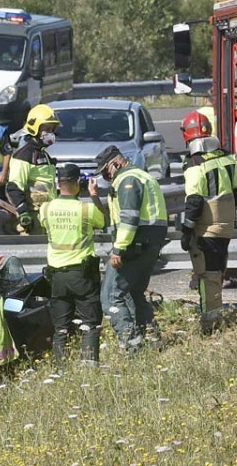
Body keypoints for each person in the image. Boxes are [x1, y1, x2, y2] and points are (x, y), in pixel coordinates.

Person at [91, 145, 167, 351]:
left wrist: (118, 249)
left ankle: (133, 346)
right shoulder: (140, 176)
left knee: (110, 297)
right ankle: (152, 338)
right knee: (134, 292)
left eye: (106, 171)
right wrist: (96, 198)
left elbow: (129, 218)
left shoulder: (127, 180)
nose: (105, 177)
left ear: (116, 163)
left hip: (135, 243)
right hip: (148, 242)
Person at [179, 111, 237, 333]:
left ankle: (210, 325)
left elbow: (195, 200)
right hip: (225, 227)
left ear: (188, 137)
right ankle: (215, 318)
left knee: (208, 275)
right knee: (217, 271)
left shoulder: (194, 163)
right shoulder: (226, 157)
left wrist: (187, 229)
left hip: (206, 229)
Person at [39, 163, 106, 367]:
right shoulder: (86, 209)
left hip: (57, 277)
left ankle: (61, 369)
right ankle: (89, 367)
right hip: (82, 274)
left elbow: (43, 224)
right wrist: (94, 195)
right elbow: (103, 221)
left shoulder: (46, 208)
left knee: (61, 327)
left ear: (58, 184)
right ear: (79, 182)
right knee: (90, 323)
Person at [6, 104, 60, 234]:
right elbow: (14, 186)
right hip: (32, 219)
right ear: (35, 128)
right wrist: (23, 213)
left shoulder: (44, 154)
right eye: (47, 129)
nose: (50, 133)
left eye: (52, 129)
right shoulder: (24, 155)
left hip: (47, 217)